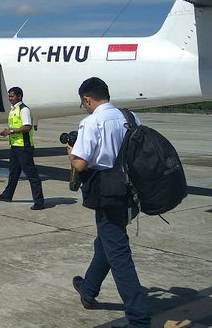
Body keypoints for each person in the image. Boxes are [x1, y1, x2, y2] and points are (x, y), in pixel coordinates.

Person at [67, 77, 151, 327]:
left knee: (118, 253)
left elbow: (81, 164)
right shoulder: (131, 117)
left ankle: (139, 318)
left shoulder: (91, 121)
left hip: (107, 193)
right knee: (106, 241)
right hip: (131, 190)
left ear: (87, 99)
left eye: (84, 104)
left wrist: (71, 153)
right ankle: (89, 290)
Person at [0, 86, 45, 210]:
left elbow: (27, 127)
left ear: (19, 96)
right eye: (9, 96)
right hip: (15, 146)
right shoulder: (13, 109)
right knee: (13, 173)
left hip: (24, 147)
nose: (10, 98)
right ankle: (7, 195)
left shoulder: (23, 110)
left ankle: (39, 201)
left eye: (12, 96)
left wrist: (9, 131)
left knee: (31, 174)